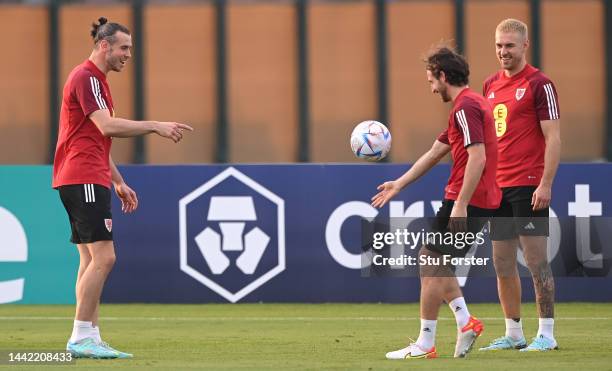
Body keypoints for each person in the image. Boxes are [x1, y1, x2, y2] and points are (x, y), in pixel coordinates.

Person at [52, 17, 193, 359]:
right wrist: (155, 125)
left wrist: (117, 180)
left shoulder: (95, 81)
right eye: (124, 48)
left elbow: (94, 136)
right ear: (104, 46)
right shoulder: (87, 77)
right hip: (83, 176)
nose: (129, 54)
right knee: (105, 256)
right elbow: (106, 125)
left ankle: (90, 336)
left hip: (84, 174)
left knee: (89, 260)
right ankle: (80, 336)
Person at [371, 46, 501, 359]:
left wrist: (460, 204)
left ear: (443, 76)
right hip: (475, 199)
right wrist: (399, 184)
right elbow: (434, 153)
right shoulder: (468, 106)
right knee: (437, 261)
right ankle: (465, 321)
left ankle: (426, 343)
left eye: (431, 80)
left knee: (429, 259)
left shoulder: (466, 107)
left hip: (468, 199)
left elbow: (478, 156)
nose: (431, 88)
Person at [479, 19, 561, 352]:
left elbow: (553, 137)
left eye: (510, 46)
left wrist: (546, 183)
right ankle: (514, 333)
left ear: (525, 45)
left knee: (537, 261)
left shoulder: (540, 84)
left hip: (529, 185)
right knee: (501, 262)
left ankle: (547, 334)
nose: (503, 52)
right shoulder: (489, 85)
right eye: (499, 45)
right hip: (498, 188)